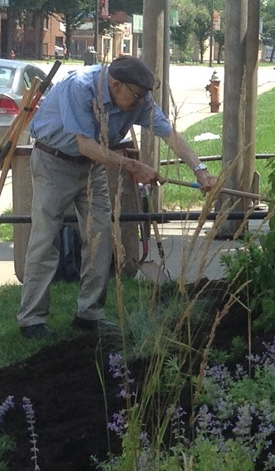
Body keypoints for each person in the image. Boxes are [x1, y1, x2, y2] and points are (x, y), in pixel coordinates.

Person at [17, 56, 215, 340]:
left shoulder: (139, 98)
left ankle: (89, 314)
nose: (141, 102)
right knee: (45, 238)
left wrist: (200, 169)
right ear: (115, 85)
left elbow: (169, 133)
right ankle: (32, 320)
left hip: (92, 167)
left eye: (144, 96)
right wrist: (135, 166)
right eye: (136, 95)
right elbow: (85, 145)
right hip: (53, 162)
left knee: (101, 235)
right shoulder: (80, 87)